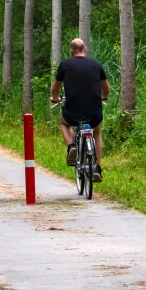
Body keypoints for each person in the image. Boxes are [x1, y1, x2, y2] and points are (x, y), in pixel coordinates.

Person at [50, 38, 110, 182]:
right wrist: (102, 97)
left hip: (73, 110)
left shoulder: (65, 65)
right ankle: (97, 167)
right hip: (94, 110)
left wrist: (55, 98)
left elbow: (55, 88)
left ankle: (72, 146)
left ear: (72, 51)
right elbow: (106, 89)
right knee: (96, 132)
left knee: (64, 123)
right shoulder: (96, 65)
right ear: (85, 49)